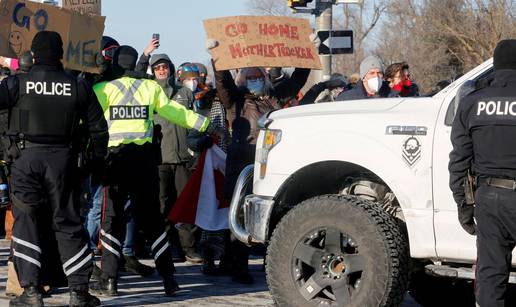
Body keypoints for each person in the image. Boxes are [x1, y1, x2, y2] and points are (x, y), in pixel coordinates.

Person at [90, 45, 222, 297]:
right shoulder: (150, 88)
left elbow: (86, 118)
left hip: (115, 162)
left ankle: (109, 280)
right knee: (153, 222)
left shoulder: (104, 89)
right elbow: (176, 112)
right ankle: (169, 279)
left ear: (117, 63)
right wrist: (203, 123)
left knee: (111, 221)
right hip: (144, 162)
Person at [0, 31, 107, 307]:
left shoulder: (16, 84)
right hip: (63, 161)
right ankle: (79, 292)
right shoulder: (78, 86)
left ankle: (32, 292)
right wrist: (94, 162)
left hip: (25, 160)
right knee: (68, 223)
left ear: (33, 55)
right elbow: (99, 129)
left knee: (27, 223)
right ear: (61, 54)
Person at [448, 39, 516, 307]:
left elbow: (459, 162)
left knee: (490, 277)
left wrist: (464, 206)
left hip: (490, 199)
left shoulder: (473, 102)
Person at [136, 52, 202, 263]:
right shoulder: (148, 92)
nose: (162, 71)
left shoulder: (185, 92)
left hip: (183, 158)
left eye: (164, 67)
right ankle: (167, 247)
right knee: (162, 207)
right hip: (160, 158)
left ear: (171, 69)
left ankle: (189, 247)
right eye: (157, 68)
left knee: (186, 204)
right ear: (153, 72)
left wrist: (196, 146)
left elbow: (194, 122)